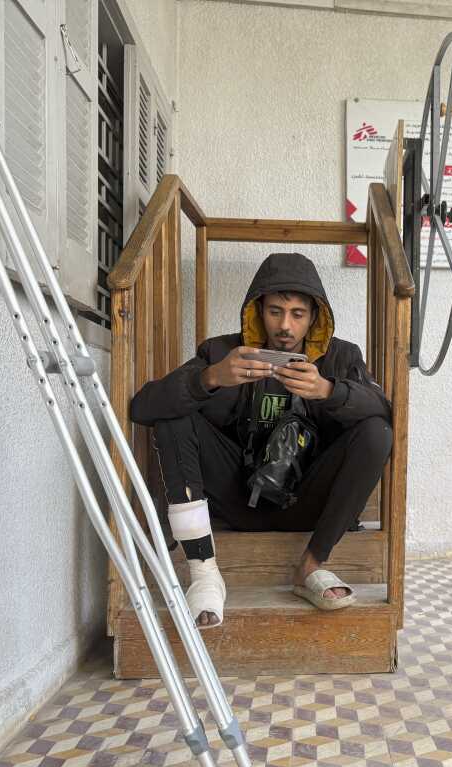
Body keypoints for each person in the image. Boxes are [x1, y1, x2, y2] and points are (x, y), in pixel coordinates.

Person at [129, 252, 392, 627]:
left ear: (315, 315)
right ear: (257, 310)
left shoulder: (341, 357)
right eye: (275, 312)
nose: (285, 326)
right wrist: (211, 378)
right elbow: (143, 407)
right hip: (240, 498)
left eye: (297, 314)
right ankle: (204, 574)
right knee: (173, 419)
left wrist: (328, 390)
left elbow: (383, 409)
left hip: (308, 500)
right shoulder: (221, 352)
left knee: (377, 431)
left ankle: (312, 565)